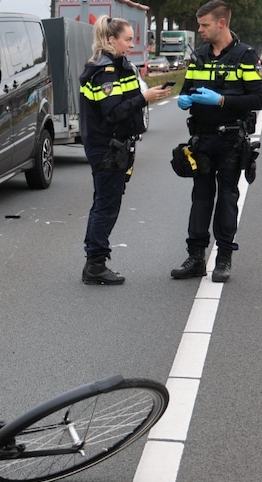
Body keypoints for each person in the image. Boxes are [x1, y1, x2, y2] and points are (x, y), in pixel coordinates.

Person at [170, 0, 262, 283]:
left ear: (221, 23)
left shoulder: (244, 56)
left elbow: (257, 98)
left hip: (230, 138)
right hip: (201, 137)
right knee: (200, 198)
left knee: (226, 198)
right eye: (199, 24)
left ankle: (223, 257)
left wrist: (222, 100)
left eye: (204, 25)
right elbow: (186, 89)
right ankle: (196, 257)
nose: (199, 29)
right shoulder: (198, 55)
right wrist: (183, 99)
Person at [78, 16, 173, 285]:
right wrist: (144, 98)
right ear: (111, 40)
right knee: (107, 205)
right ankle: (95, 264)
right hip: (107, 147)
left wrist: (143, 101)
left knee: (104, 202)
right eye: (128, 39)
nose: (132, 44)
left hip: (115, 145)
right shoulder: (105, 71)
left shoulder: (118, 66)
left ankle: (94, 259)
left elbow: (124, 105)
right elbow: (113, 112)